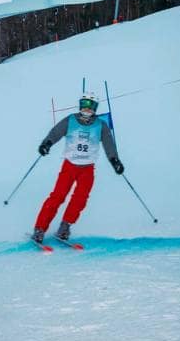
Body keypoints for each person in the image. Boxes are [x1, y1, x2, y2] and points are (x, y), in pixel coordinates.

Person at [32, 92, 124, 243]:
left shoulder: (101, 125)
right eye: (84, 105)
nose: (87, 109)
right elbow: (56, 133)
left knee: (80, 199)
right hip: (70, 166)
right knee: (58, 196)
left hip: (87, 169)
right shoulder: (70, 120)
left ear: (95, 108)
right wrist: (46, 143)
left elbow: (109, 145)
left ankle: (65, 227)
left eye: (91, 106)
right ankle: (40, 229)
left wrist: (115, 161)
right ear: (80, 105)